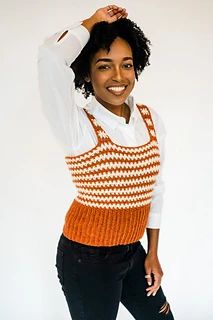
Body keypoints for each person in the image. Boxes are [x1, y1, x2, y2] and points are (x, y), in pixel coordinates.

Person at [38, 4, 175, 320]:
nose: (118, 76)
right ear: (87, 72)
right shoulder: (76, 126)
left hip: (133, 250)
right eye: (104, 65)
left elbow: (156, 187)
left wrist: (152, 252)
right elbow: (50, 57)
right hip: (87, 259)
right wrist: (92, 22)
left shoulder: (149, 118)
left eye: (126, 65)